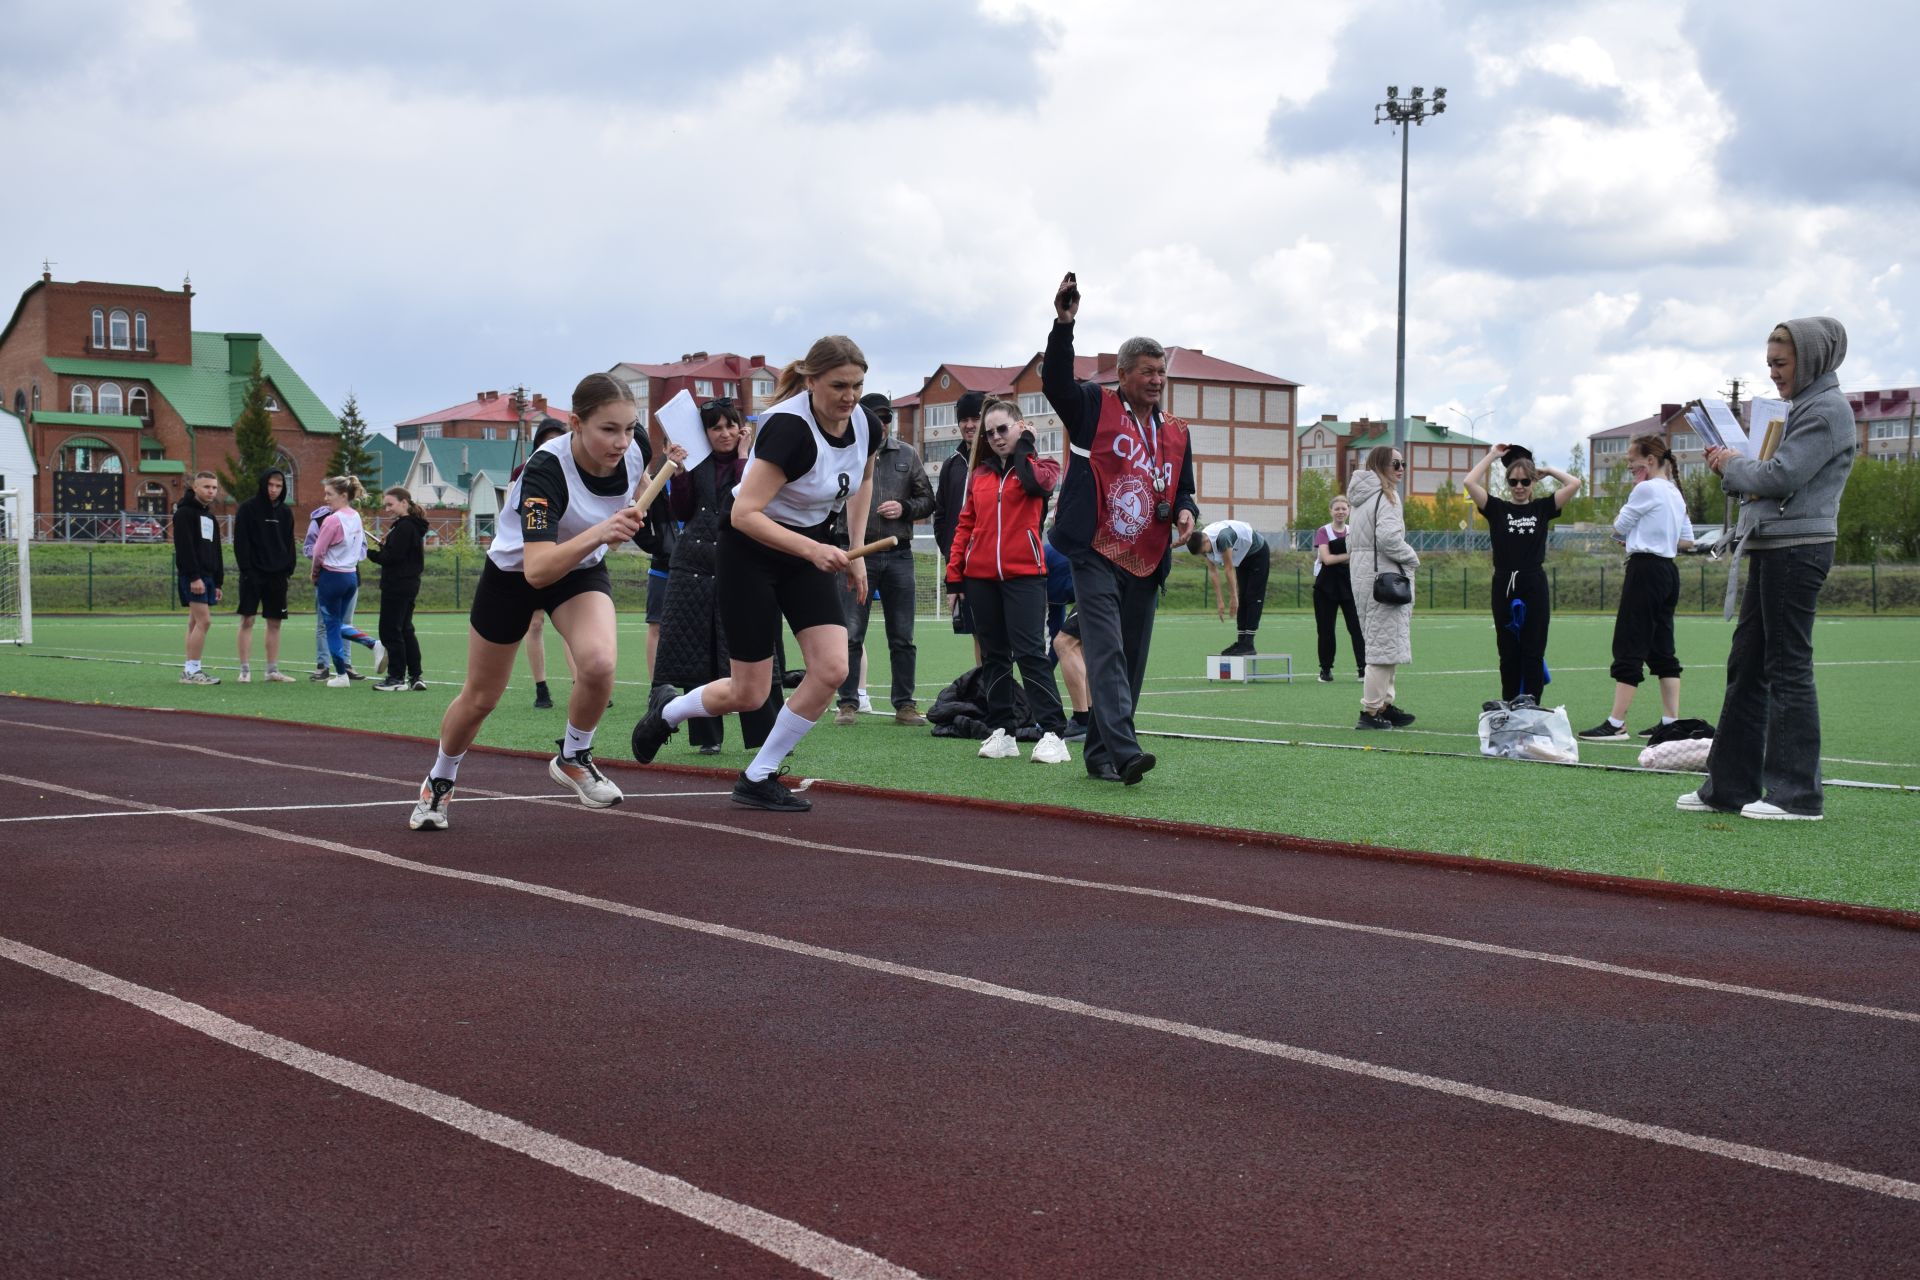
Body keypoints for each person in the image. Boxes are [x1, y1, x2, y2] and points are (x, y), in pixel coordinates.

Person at [409, 373, 683, 831]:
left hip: (579, 571)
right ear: (576, 423)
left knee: (599, 664)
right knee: (481, 697)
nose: (621, 441)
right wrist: (602, 531)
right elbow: (537, 569)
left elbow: (634, 483)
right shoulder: (545, 472)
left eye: (627, 428)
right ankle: (440, 778)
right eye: (608, 430)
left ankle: (574, 756)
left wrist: (645, 494)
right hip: (516, 575)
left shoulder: (634, 446)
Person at [631, 336, 879, 813]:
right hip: (750, 550)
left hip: (806, 550)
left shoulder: (867, 424)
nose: (850, 396)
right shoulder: (788, 428)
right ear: (812, 381)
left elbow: (864, 479)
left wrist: (855, 550)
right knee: (750, 692)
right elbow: (744, 514)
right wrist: (815, 549)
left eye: (858, 386)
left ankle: (759, 775)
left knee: (832, 668)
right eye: (839, 386)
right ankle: (668, 711)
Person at [1684, 317, 1857, 821]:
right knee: (1747, 666)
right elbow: (1762, 476)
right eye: (1769, 364)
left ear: (1812, 359)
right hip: (1773, 545)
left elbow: (1781, 476)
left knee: (1786, 667)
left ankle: (1797, 796)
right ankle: (1729, 788)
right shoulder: (1800, 408)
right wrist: (1733, 466)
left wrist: (1729, 464)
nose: (1773, 373)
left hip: (1796, 550)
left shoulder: (1826, 411)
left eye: (1781, 363)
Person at [1041, 274, 1197, 785]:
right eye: (1147, 371)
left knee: (1131, 660)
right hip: (1094, 548)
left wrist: (1186, 510)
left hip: (1147, 556)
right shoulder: (1095, 404)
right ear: (1124, 374)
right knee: (1105, 649)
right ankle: (1126, 753)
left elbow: (1183, 488)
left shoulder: (1176, 431)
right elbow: (1055, 383)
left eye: (1162, 372)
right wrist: (1064, 325)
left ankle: (1100, 755)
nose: (1156, 380)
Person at [944, 396, 1071, 763]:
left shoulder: (1043, 467)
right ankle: (1003, 731)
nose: (996, 437)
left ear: (1021, 427)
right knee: (994, 656)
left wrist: (1026, 445)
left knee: (1030, 653)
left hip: (1025, 576)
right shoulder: (979, 476)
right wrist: (955, 579)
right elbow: (965, 526)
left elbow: (1034, 485)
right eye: (990, 433)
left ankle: (1053, 734)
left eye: (1003, 429)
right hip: (980, 578)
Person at [655, 397, 783, 754]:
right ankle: (707, 737)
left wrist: (743, 456)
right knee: (699, 652)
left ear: (741, 428)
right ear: (705, 433)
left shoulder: (757, 461)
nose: (724, 433)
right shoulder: (695, 462)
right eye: (715, 428)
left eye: (730, 425)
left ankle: (767, 736)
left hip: (743, 562)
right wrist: (679, 474)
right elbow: (682, 512)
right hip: (694, 567)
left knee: (757, 648)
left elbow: (749, 502)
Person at [1577, 435, 1694, 743]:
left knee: (1630, 641)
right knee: (1662, 646)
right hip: (1668, 571)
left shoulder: (1646, 488)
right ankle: (1671, 722)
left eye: (1632, 460)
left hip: (1644, 571)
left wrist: (1635, 527)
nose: (1629, 465)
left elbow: (1619, 526)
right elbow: (1686, 540)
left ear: (1650, 460)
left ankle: (1617, 723)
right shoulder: (1675, 492)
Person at [835, 391, 934, 727]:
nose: (884, 424)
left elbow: (928, 500)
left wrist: (904, 508)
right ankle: (847, 704)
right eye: (877, 418)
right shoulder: (845, 452)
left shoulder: (907, 454)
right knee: (851, 633)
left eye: (887, 418)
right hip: (854, 554)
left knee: (903, 636)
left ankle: (905, 705)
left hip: (899, 555)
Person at [1464, 443, 1581, 703]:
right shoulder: (1496, 508)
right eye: (1513, 482)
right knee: (1507, 650)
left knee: (1533, 648)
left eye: (1525, 481)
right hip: (1504, 583)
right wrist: (1493, 456)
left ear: (1533, 482)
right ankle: (1509, 700)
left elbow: (1574, 483)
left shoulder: (1542, 508)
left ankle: (1531, 701)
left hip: (1533, 583)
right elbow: (1469, 482)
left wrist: (1549, 470)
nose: (1519, 487)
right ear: (1507, 483)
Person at [1347, 446, 1419, 730]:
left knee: (1384, 643)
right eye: (1395, 464)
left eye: (1403, 463)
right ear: (1380, 465)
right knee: (1383, 648)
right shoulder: (1387, 496)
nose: (1401, 469)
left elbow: (1352, 541)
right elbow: (1388, 538)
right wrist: (1412, 557)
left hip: (1364, 576)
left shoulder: (1360, 497)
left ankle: (1384, 705)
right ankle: (1371, 711)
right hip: (1385, 578)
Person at [517, 418, 571, 709]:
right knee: (535, 623)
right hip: (536, 556)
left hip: (567, 558)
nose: (552, 446)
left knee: (571, 626)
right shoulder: (525, 472)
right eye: (546, 441)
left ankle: (582, 682)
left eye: (557, 439)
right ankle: (541, 688)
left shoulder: (576, 472)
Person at [933, 389, 986, 662]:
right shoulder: (951, 465)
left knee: (999, 632)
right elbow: (940, 515)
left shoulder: (999, 459)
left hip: (994, 562)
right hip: (962, 565)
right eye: (964, 419)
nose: (969, 425)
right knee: (977, 631)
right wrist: (949, 552)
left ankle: (1002, 686)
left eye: (975, 418)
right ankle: (986, 684)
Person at [304, 493, 380, 680]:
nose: (326, 497)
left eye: (329, 493)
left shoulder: (354, 517)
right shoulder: (321, 519)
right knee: (325, 624)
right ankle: (323, 666)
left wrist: (346, 558)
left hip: (347, 575)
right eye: (325, 493)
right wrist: (325, 559)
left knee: (343, 623)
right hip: (327, 576)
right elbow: (311, 548)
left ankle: (346, 666)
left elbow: (362, 547)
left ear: (343, 495)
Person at [232, 467, 297, 683]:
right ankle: (244, 670)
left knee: (275, 622)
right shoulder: (247, 509)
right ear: (263, 484)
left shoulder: (285, 512)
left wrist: (288, 568)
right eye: (270, 485)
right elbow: (240, 542)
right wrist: (247, 570)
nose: (274, 489)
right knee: (247, 620)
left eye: (278, 485)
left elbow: (289, 543)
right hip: (253, 574)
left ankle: (272, 671)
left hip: (277, 576)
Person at [367, 486, 429, 692]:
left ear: (404, 503)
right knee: (405, 629)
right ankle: (416, 675)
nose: (387, 509)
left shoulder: (404, 527)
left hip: (397, 584)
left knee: (390, 630)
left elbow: (392, 557)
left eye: (390, 504)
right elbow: (398, 553)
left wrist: (369, 553)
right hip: (409, 583)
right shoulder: (410, 526)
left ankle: (396, 677)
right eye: (385, 505)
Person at [1186, 518, 1269, 656]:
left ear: (1206, 541)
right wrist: (1220, 601)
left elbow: (1229, 569)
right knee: (1243, 597)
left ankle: (1249, 643)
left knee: (1252, 596)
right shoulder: (1204, 544)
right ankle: (1242, 642)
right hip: (1242, 556)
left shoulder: (1223, 538)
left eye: (1203, 551)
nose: (1204, 554)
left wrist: (1233, 597)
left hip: (1257, 552)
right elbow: (1214, 573)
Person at [173, 470, 225, 685]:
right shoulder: (184, 514)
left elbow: (216, 549)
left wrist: (218, 581)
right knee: (204, 621)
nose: (211, 491)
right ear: (195, 487)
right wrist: (194, 577)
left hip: (208, 576)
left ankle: (189, 670)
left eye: (214, 487)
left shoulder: (209, 516)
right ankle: (192, 670)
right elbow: (184, 548)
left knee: (195, 622)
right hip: (194, 576)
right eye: (206, 487)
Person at [1311, 496, 1365, 683]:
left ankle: (1363, 669)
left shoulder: (1353, 531)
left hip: (1350, 585)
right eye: (1337, 509)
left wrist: (1349, 557)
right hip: (1326, 586)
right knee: (1326, 629)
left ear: (1349, 510)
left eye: (1344, 508)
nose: (1340, 512)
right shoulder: (1323, 531)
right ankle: (1325, 670)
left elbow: (1362, 556)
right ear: (1331, 511)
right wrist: (1351, 555)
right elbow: (1327, 559)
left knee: (1357, 628)